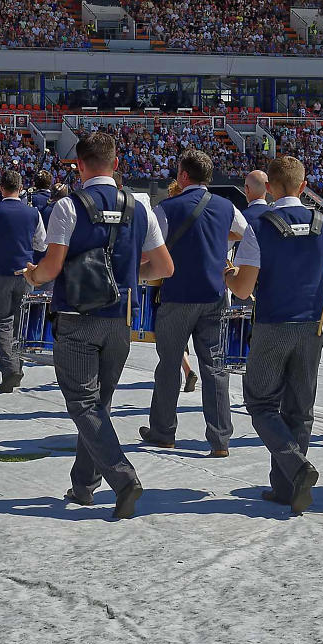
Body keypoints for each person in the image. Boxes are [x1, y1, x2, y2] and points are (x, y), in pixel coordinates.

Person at [25, 132, 173, 520]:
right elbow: (163, 267)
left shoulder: (67, 207)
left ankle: (122, 478)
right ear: (117, 163)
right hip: (119, 319)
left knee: (83, 404)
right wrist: (125, 275)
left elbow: (52, 267)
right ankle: (84, 484)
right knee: (99, 405)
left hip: (77, 318)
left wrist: (33, 276)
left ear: (79, 165)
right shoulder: (140, 207)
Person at [225, 156, 323, 514]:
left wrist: (228, 274)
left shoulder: (261, 227)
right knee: (301, 410)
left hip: (273, 324)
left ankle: (295, 465)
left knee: (260, 404)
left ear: (269, 187)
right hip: (310, 327)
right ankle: (287, 487)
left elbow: (242, 289)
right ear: (304, 187)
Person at [142, 148, 247, 457]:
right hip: (215, 294)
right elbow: (242, 233)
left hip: (178, 295)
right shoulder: (226, 206)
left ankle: (164, 431)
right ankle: (220, 439)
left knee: (169, 365)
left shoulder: (167, 207)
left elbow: (152, 249)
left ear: (183, 175)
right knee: (215, 366)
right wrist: (215, 241)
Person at [0, 169, 47, 393]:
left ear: (1, 189)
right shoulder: (32, 213)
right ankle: (17, 366)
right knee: (20, 324)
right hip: (25, 273)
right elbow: (41, 244)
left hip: (0, 273)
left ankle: (10, 367)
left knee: (1, 321)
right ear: (21, 189)